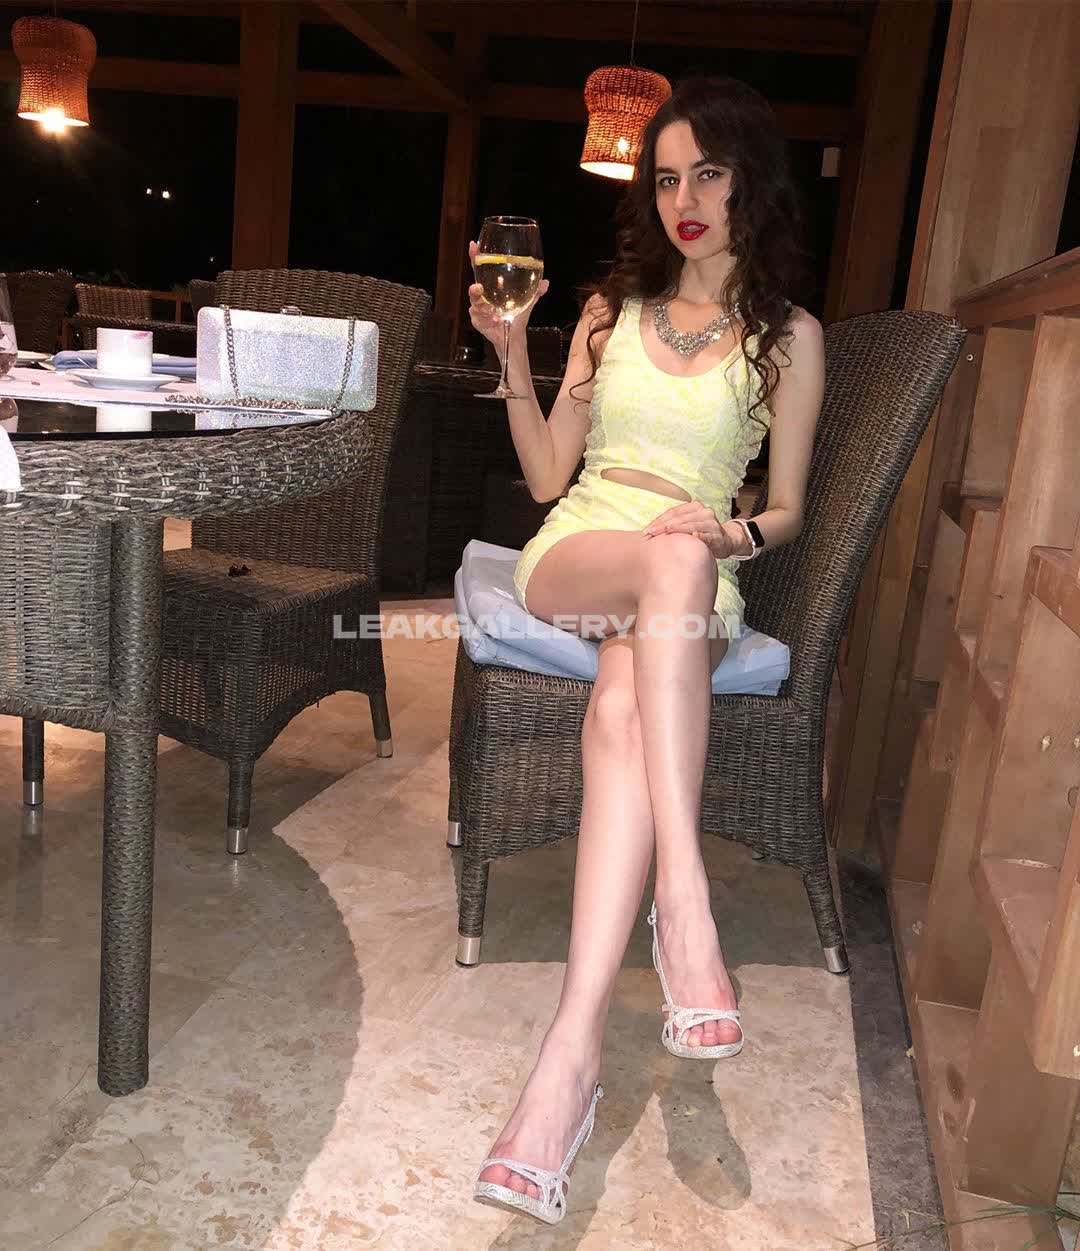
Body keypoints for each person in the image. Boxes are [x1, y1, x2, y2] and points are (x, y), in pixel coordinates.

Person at [468, 74, 825, 1225]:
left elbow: (788, 512)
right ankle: (686, 899)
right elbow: (544, 477)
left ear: (750, 183)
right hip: (583, 549)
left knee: (626, 703)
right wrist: (511, 352)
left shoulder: (789, 337)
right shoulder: (607, 313)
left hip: (696, 567)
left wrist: (730, 532)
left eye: (708, 174)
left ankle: (567, 1064)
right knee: (662, 564)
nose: (686, 200)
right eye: (667, 179)